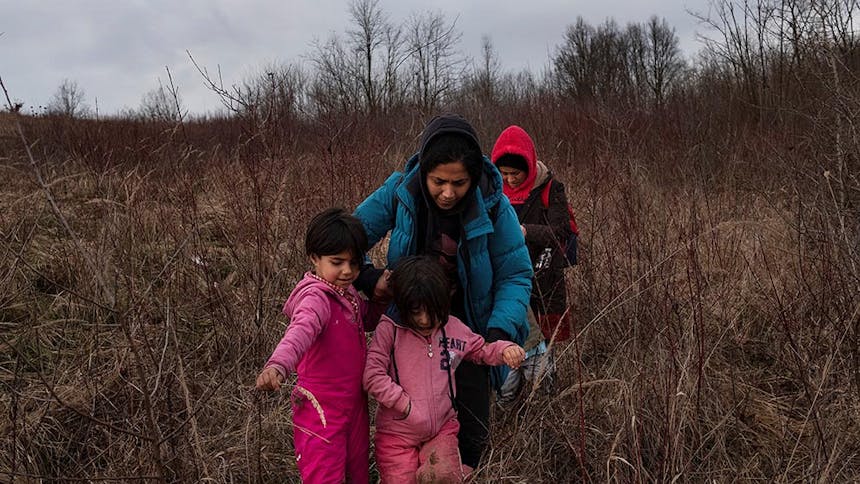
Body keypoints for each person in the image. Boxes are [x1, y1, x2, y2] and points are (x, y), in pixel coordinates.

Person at [353, 114, 533, 472]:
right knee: (408, 421)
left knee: (471, 432)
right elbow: (348, 237)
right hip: (408, 324)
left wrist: (497, 331)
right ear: (424, 172)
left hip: (467, 326)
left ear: (473, 177)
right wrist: (370, 278)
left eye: (459, 183)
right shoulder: (401, 190)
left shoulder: (493, 205)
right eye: (438, 181)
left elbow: (515, 274)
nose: (448, 193)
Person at [364, 256, 526, 483]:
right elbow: (373, 375)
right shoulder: (390, 330)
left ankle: (460, 473)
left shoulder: (454, 329)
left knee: (443, 476)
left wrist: (504, 349)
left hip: (442, 429)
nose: (424, 320)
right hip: (396, 435)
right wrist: (405, 405)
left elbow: (480, 350)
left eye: (433, 311)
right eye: (416, 312)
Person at [255, 208, 384, 484]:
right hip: (320, 407)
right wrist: (278, 365)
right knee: (324, 474)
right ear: (314, 258)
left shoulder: (345, 292)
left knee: (358, 470)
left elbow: (366, 317)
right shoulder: (316, 300)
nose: (347, 271)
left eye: (354, 263)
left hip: (354, 403)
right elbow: (299, 333)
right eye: (337, 262)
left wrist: (386, 297)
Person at [491, 125, 573, 401]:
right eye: (504, 174)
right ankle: (509, 402)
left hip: (544, 281)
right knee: (510, 340)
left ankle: (546, 405)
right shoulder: (493, 192)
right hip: (506, 281)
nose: (510, 180)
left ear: (528, 166)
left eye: (516, 173)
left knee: (542, 349)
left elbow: (561, 231)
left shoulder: (551, 188)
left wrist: (525, 230)